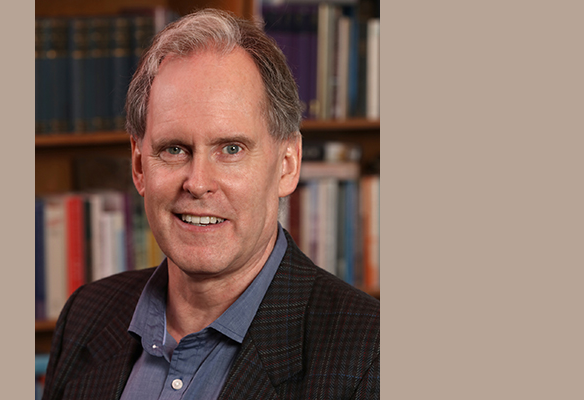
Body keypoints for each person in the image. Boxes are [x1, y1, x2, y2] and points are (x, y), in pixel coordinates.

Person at [42, 8, 379, 400]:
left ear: (287, 165)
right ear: (138, 166)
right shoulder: (86, 317)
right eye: (174, 149)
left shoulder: (371, 354)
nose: (198, 183)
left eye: (231, 149)